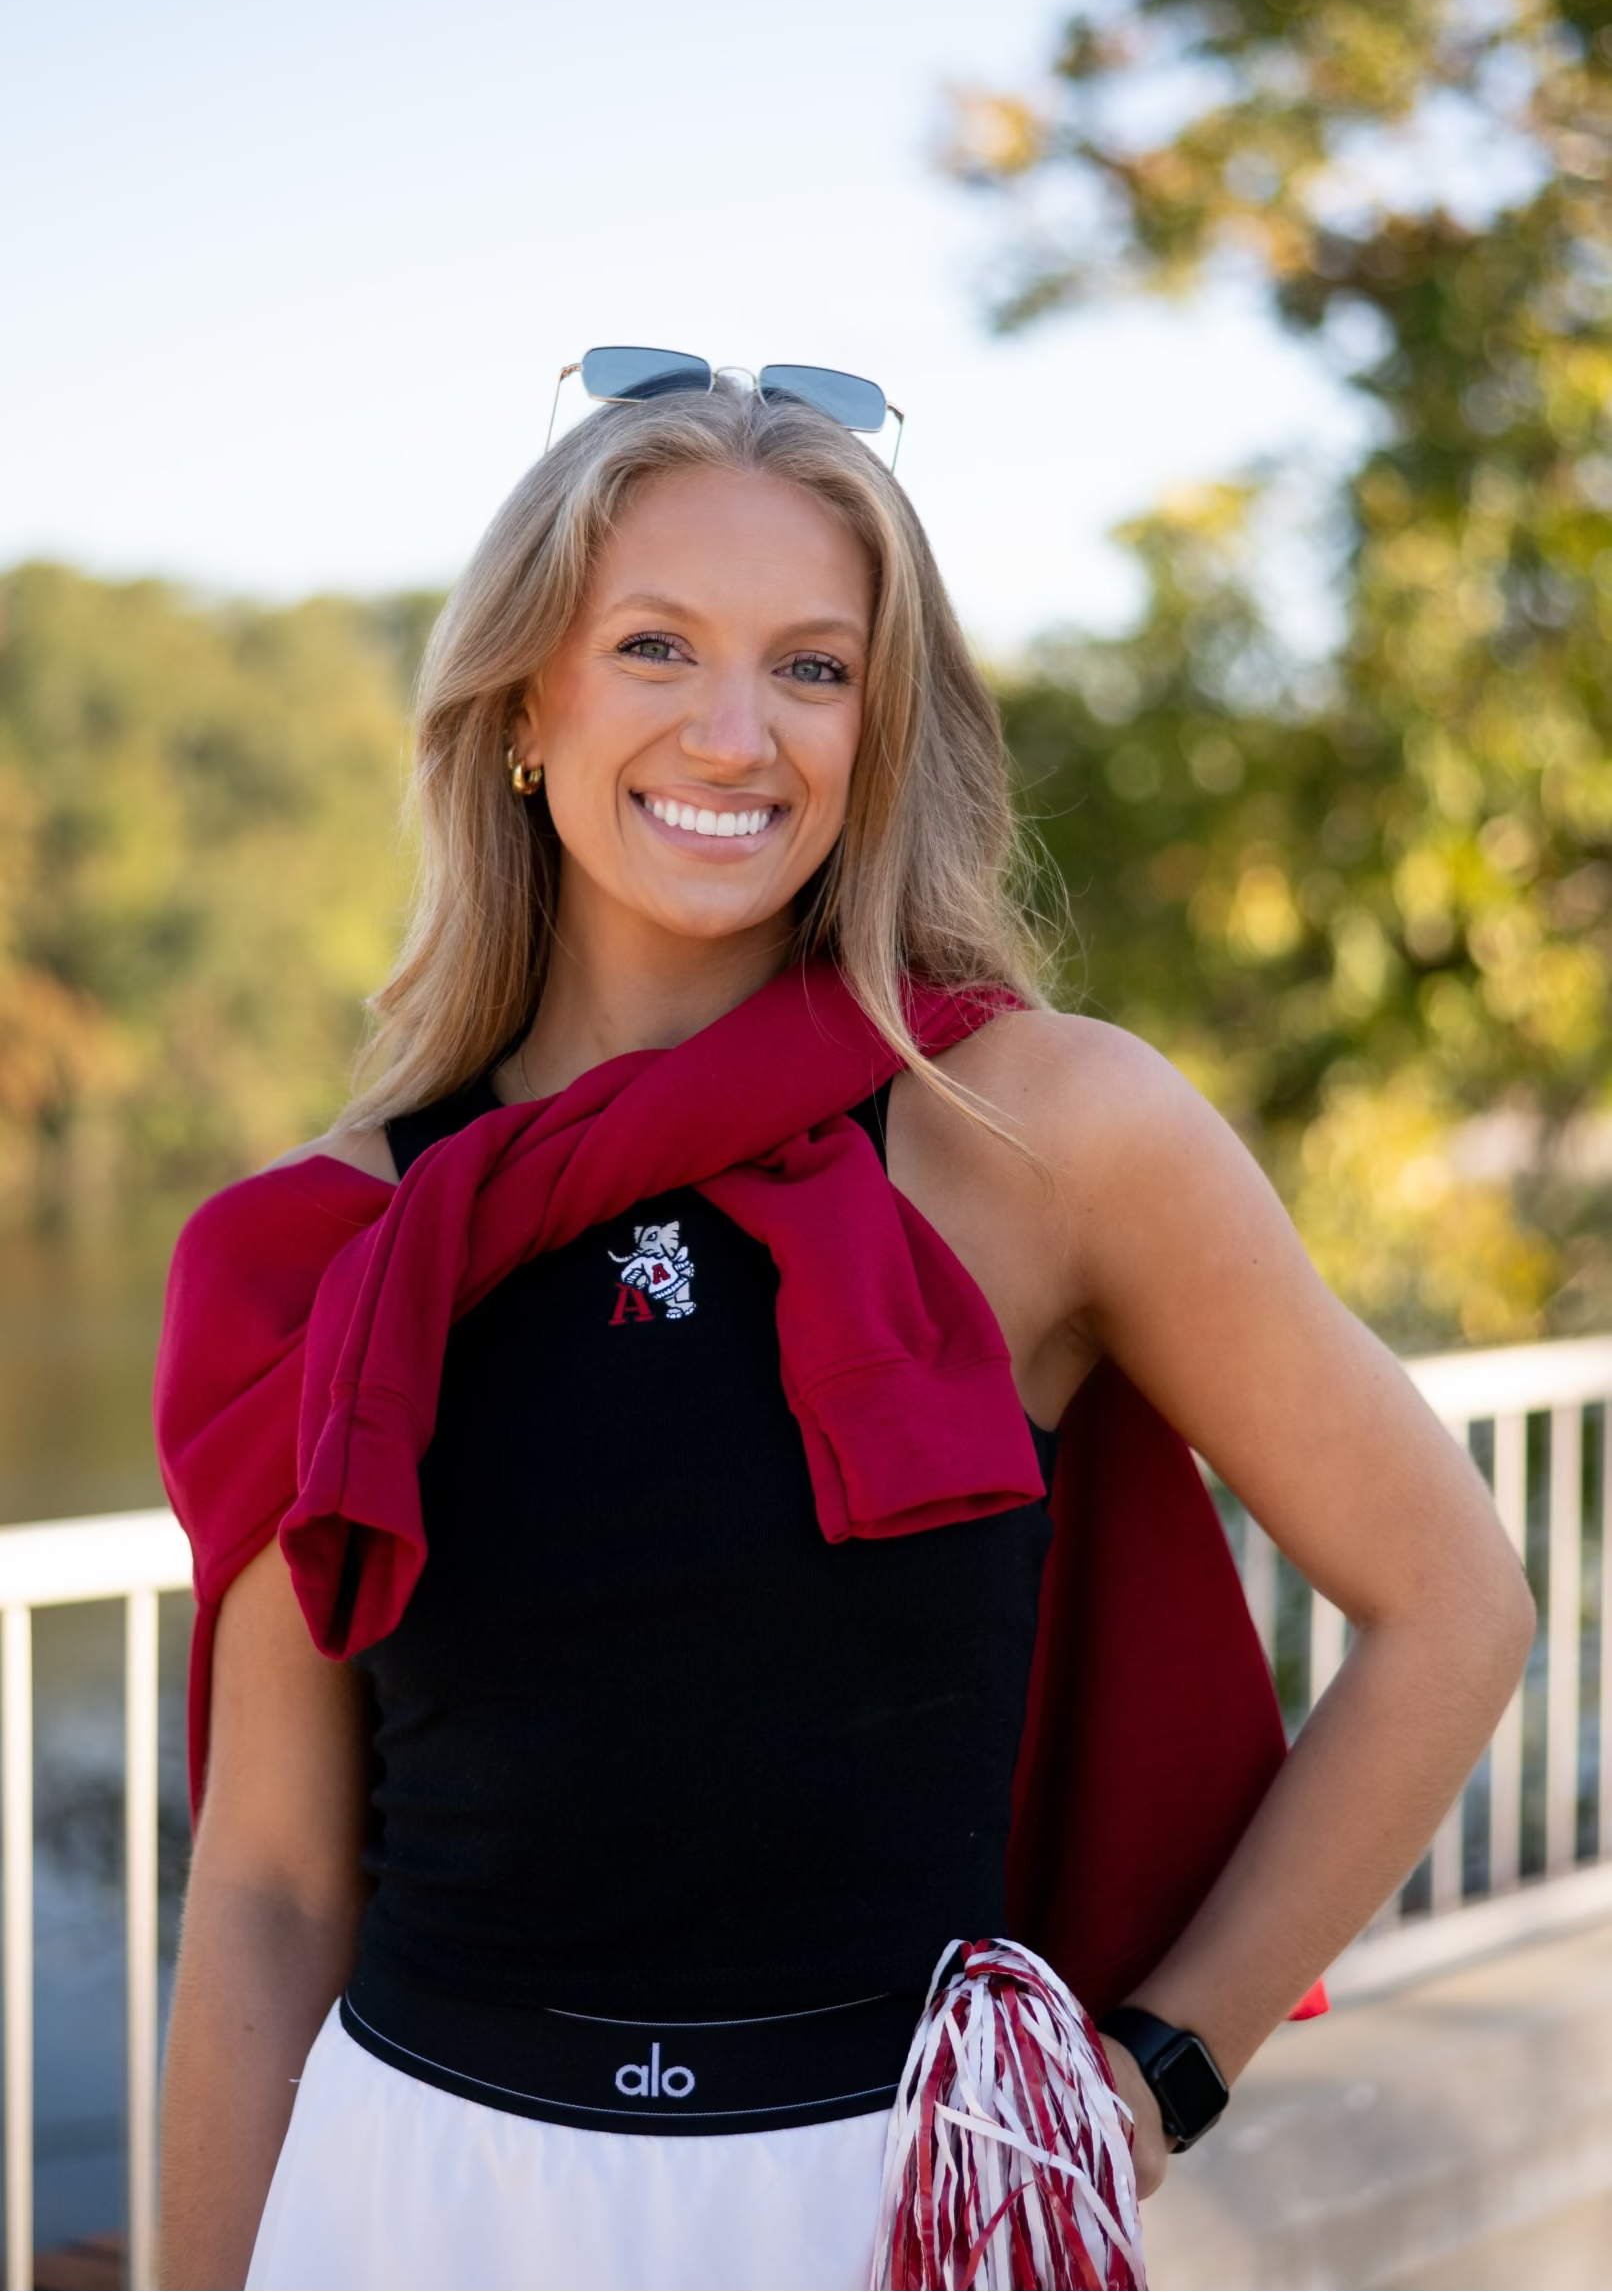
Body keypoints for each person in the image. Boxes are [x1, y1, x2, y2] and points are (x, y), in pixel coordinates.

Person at [153, 366, 1533, 2292]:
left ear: (882, 733)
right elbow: (273, 1889)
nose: (738, 730)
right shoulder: (317, 1242)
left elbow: (1454, 1600)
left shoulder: (1052, 1137)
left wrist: (1149, 2077)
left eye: (814, 667)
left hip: (889, 2205)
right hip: (419, 2194)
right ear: (522, 704)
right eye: (654, 645)